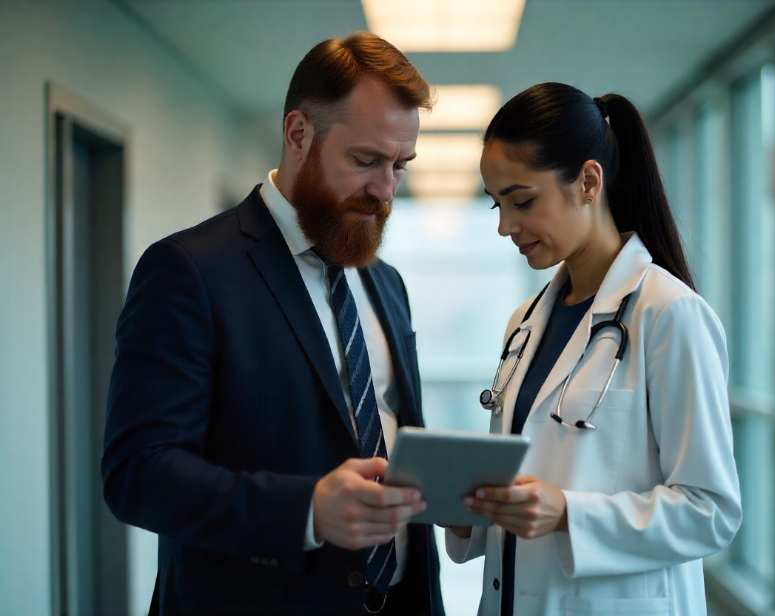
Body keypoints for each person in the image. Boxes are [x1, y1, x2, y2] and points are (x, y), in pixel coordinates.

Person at [102, 33, 445, 616]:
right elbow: (138, 473)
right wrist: (306, 510)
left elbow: (388, 428)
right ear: (298, 134)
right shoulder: (189, 270)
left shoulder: (385, 282)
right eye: (365, 161)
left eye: (399, 166)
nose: (385, 190)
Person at [446, 83, 742, 616]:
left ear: (588, 181)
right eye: (497, 204)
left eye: (522, 201)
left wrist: (567, 514)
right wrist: (470, 511)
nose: (505, 226)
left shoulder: (669, 315)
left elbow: (711, 512)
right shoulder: (525, 323)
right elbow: (532, 487)